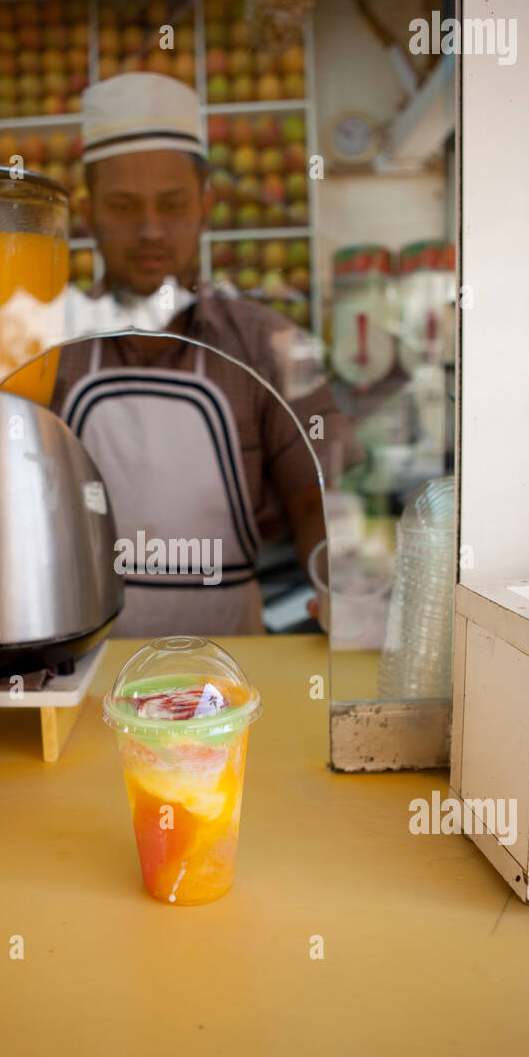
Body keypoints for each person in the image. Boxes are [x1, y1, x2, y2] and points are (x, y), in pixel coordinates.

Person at [52, 72, 362, 636]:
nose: (150, 229)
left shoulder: (267, 343)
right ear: (89, 210)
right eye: (123, 206)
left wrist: (336, 580)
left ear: (206, 205)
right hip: (84, 668)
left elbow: (317, 491)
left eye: (171, 204)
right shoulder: (51, 347)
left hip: (233, 662)